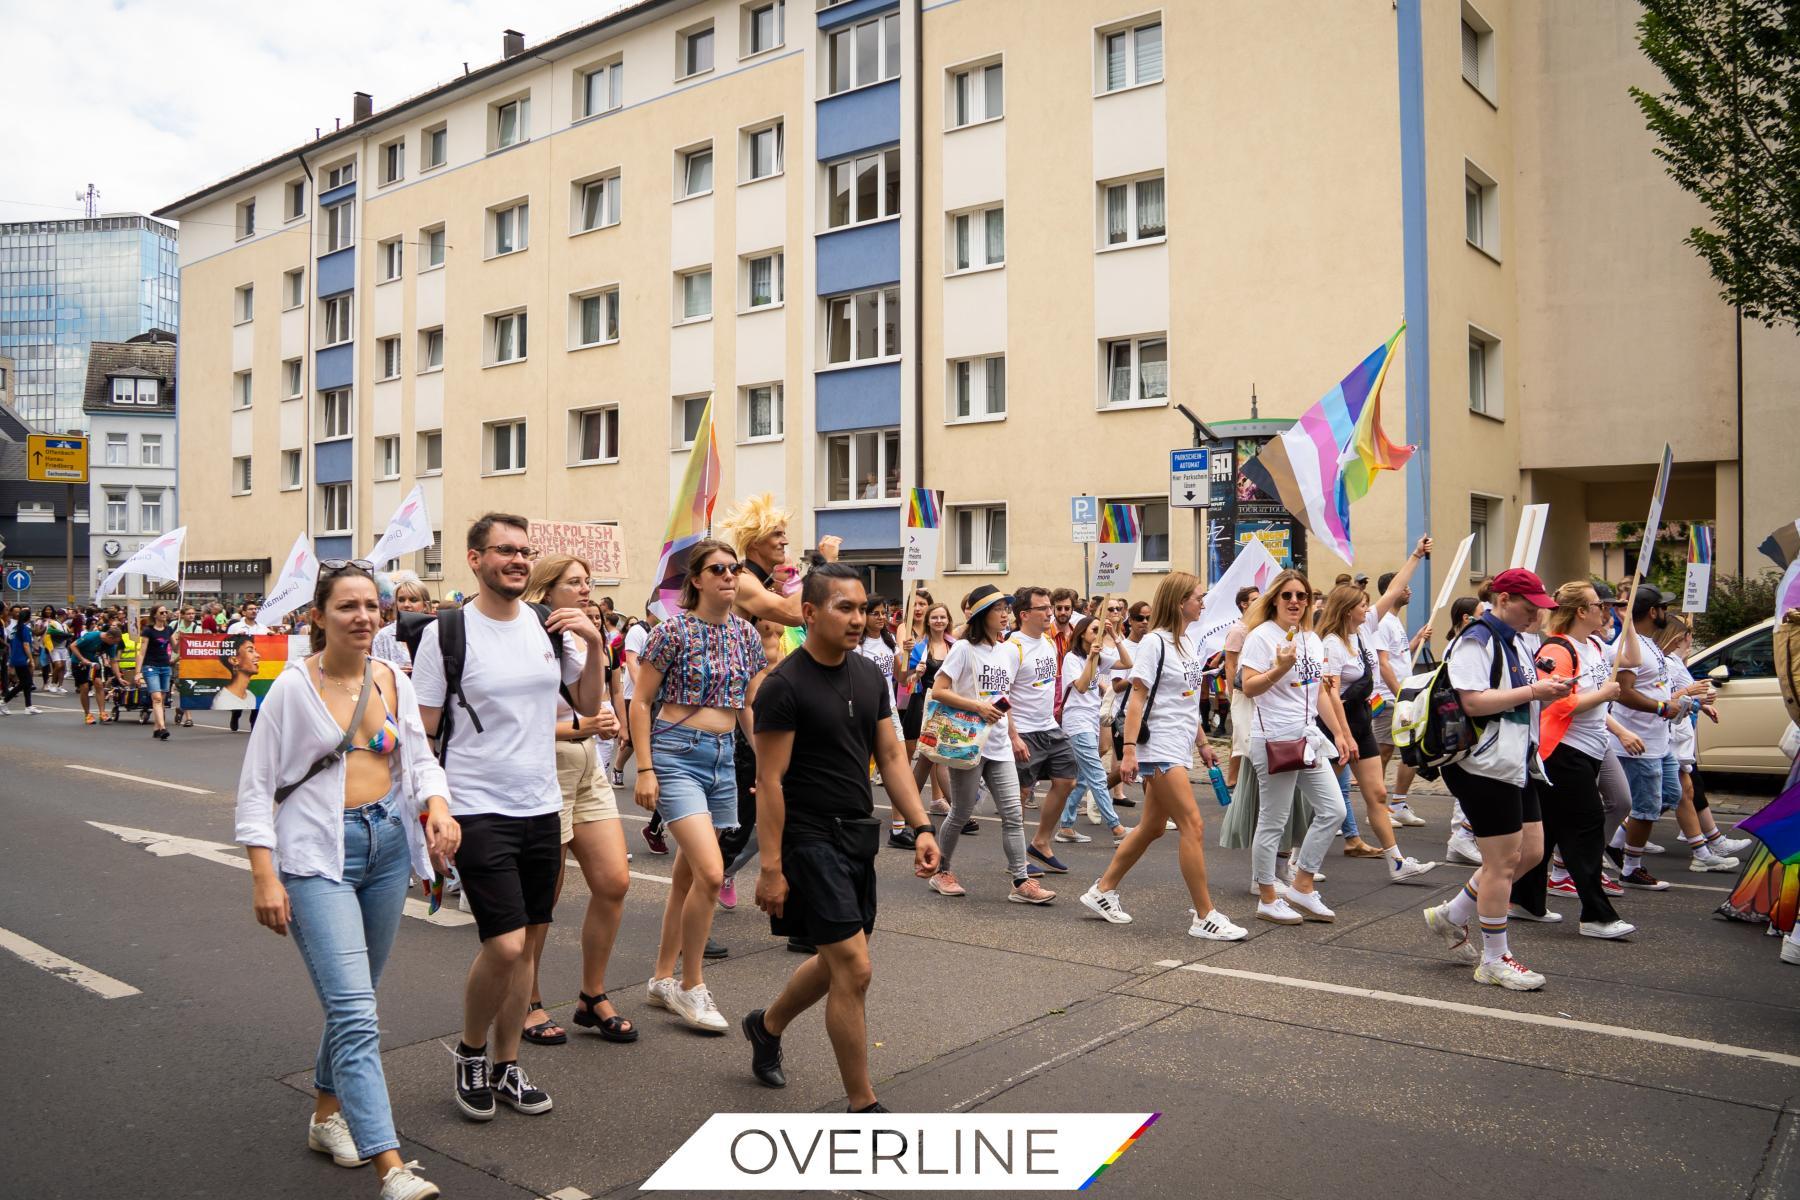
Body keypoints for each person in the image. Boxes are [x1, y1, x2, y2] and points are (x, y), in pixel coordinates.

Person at [235, 563, 460, 1200]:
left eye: (371, 606)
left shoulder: (391, 679)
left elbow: (418, 760)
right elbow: (255, 790)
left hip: (386, 848)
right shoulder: (291, 689)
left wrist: (437, 810)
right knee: (358, 1013)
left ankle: (326, 1115)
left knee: (354, 1000)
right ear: (318, 616)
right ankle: (392, 1168)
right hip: (316, 857)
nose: (363, 617)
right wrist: (263, 877)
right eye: (347, 607)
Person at [413, 514, 609, 1122]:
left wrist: (596, 644)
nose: (519, 560)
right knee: (504, 944)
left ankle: (506, 1065)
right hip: (477, 807)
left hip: (540, 805)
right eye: (505, 551)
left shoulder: (547, 630)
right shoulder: (446, 634)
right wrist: (433, 810)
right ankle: (471, 1054)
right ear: (475, 559)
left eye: (526, 552)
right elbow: (422, 736)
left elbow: (589, 704)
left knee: (527, 948)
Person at [743, 564, 940, 1112]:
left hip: (855, 834)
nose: (859, 619)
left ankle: (767, 1025)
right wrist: (771, 868)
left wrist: (921, 825)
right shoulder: (784, 686)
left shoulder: (870, 676)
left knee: (839, 961)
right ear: (809, 614)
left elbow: (894, 756)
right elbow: (771, 781)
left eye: (862, 609)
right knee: (854, 966)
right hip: (807, 838)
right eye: (845, 609)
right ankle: (862, 1103)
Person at [630, 538, 769, 1033]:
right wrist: (644, 768)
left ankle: (661, 979)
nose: (730, 576)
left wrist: (768, 767)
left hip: (723, 759)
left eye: (735, 568)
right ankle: (692, 986)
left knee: (688, 878)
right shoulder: (671, 631)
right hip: (675, 754)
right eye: (719, 569)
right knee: (712, 873)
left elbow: (749, 706)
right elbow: (640, 701)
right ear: (696, 580)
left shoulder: (747, 637)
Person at [1422, 568, 1570, 991]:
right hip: (1482, 765)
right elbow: (1472, 702)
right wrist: (1535, 692)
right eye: (1530, 607)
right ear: (1503, 599)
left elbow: (1513, 689)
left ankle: (1453, 914)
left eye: (1541, 608)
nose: (1537, 616)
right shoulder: (1477, 638)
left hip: (1514, 760)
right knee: (1503, 862)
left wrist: (1543, 687)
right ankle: (1494, 958)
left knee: (1530, 853)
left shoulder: (1514, 639)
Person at [1078, 572, 1245, 938]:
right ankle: (1205, 916)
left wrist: (1202, 742)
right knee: (1193, 825)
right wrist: (1130, 750)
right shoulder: (1156, 643)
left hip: (1181, 742)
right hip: (1159, 747)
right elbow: (1137, 697)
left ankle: (1102, 891)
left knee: (1153, 826)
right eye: (1198, 597)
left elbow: (1185, 701)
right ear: (1179, 601)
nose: (1203, 602)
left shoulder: (1188, 642)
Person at [512, 554, 631, 1048]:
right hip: (546, 767)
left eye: (589, 583)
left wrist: (596, 640)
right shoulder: (524, 640)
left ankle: (591, 994)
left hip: (588, 768)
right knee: (544, 900)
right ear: (546, 592)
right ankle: (528, 999)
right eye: (574, 583)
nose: (586, 591)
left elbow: (590, 702)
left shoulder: (581, 638)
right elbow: (516, 721)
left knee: (614, 881)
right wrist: (584, 726)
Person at [1515, 581, 1636, 939]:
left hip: (1589, 749)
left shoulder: (1595, 644)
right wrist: (1603, 694)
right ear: (1581, 611)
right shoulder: (1558, 649)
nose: (1605, 609)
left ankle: (1525, 900)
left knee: (1551, 829)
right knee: (1585, 827)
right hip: (1563, 751)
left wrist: (1625, 620)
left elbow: (1632, 660)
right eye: (1600, 605)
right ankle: (1596, 916)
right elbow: (1554, 701)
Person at [924, 585, 1055, 904]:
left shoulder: (1007, 650)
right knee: (961, 812)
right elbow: (939, 690)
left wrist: (1013, 734)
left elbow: (1003, 699)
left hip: (998, 744)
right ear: (984, 615)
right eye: (1000, 609)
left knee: (1012, 812)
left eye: (1007, 609)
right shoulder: (964, 649)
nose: (1006, 615)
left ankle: (1021, 881)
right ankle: (942, 871)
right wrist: (977, 707)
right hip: (968, 744)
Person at [1316, 556, 1438, 883]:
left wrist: (1414, 556)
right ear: (1347, 612)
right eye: (1361, 605)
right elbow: (1330, 693)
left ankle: (1397, 863)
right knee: (1322, 802)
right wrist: (1344, 734)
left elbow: (1395, 589)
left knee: (1377, 796)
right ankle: (1296, 859)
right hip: (1334, 728)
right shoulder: (1331, 644)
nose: (1368, 609)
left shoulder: (1365, 629)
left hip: (1359, 723)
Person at [1604, 587, 1736, 887]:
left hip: (1660, 740)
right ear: (1653, 612)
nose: (1667, 613)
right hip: (1641, 743)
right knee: (1646, 807)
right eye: (1664, 608)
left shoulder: (1650, 645)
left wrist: (1693, 704)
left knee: (1671, 796)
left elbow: (1661, 688)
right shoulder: (1629, 646)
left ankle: (1615, 842)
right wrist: (1663, 707)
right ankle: (1630, 867)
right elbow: (1623, 693)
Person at [1239, 570, 1348, 926]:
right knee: (1274, 821)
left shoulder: (1312, 639)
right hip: (1274, 740)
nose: (1295, 602)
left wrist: (1339, 733)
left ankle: (1302, 884)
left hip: (1308, 739)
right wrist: (1278, 668)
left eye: (1301, 596)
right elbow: (1249, 687)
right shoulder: (1261, 637)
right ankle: (1268, 897)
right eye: (1287, 595)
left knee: (1334, 810)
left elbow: (1318, 693)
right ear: (1274, 599)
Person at [1002, 586, 1085, 873]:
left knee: (1066, 780)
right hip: (1023, 731)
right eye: (1043, 608)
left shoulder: (1050, 642)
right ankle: (1017, 858)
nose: (1050, 612)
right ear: (1024, 614)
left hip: (1050, 727)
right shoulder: (1012, 648)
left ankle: (1040, 842)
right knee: (1022, 793)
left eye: (1050, 607)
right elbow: (1001, 696)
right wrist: (1013, 736)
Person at [1056, 615, 1131, 844]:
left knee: (1082, 778)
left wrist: (1116, 637)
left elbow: (1127, 663)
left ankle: (1066, 827)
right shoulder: (1072, 658)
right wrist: (1091, 658)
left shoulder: (1099, 657)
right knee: (1098, 775)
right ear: (1082, 634)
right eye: (1095, 629)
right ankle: (1116, 828)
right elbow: (1079, 686)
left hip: (1091, 720)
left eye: (1101, 629)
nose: (1099, 633)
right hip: (1077, 722)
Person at [901, 601, 955, 816]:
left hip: (949, 706)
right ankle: (960, 813)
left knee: (928, 759)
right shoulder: (920, 648)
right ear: (928, 621)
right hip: (926, 706)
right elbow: (907, 682)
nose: (939, 621)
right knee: (934, 757)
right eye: (934, 617)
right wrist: (918, 673)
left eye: (942, 617)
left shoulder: (955, 645)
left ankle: (908, 807)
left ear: (948, 620)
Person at [1220, 588, 1259, 789]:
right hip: (1240, 690)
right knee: (1240, 735)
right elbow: (1230, 664)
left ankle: (1242, 777)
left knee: (1247, 735)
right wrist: (1231, 691)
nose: (1259, 601)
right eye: (1255, 599)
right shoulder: (1238, 630)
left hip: (1254, 688)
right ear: (1244, 604)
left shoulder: (1257, 626)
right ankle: (1232, 778)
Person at [371, 576, 433, 672]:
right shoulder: (383, 636)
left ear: (425, 605)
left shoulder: (434, 633)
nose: (406, 605)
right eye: (401, 600)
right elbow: (375, 673)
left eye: (413, 600)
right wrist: (395, 674)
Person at [135, 604, 177, 740]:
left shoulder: (169, 629)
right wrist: (137, 672)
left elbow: (175, 648)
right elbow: (141, 652)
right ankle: (163, 728)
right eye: (162, 612)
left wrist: (181, 637)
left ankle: (156, 728)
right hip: (150, 666)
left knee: (162, 698)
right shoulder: (148, 631)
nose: (165, 614)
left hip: (165, 666)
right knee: (157, 698)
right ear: (155, 615)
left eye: (166, 612)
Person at [70, 624, 122, 725]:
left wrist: (119, 677)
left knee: (99, 684)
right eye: (115, 641)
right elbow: (73, 646)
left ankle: (102, 713)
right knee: (84, 687)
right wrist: (83, 659)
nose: (115, 644)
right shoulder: (91, 636)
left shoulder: (111, 645)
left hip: (93, 664)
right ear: (109, 637)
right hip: (79, 662)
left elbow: (113, 661)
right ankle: (87, 714)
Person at [2, 606, 42, 715]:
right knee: (25, 682)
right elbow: (26, 645)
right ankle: (4, 702)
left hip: (15, 657)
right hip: (21, 659)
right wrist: (31, 659)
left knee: (26, 683)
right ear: (28, 618)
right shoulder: (24, 629)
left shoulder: (16, 628)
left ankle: (28, 706)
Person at [219, 633, 262, 732]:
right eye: (250, 651)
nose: (258, 655)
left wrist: (272, 636)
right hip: (237, 688)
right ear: (234, 660)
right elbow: (228, 641)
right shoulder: (236, 627)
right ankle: (236, 714)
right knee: (239, 698)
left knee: (257, 701)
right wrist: (237, 634)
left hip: (255, 684)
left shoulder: (262, 627)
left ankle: (254, 723)